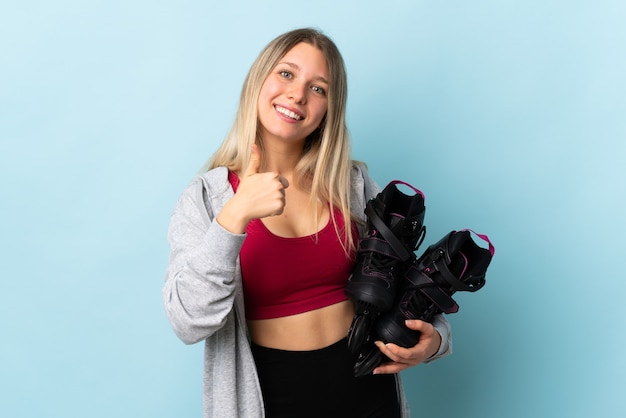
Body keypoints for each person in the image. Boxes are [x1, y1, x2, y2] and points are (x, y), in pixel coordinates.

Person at [163, 27, 452, 418]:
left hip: (368, 388)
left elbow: (407, 285)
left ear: (328, 110)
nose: (298, 94)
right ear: (258, 80)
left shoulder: (352, 185)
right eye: (286, 74)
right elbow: (187, 320)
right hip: (274, 397)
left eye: (318, 88)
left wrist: (434, 342)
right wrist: (235, 216)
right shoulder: (207, 199)